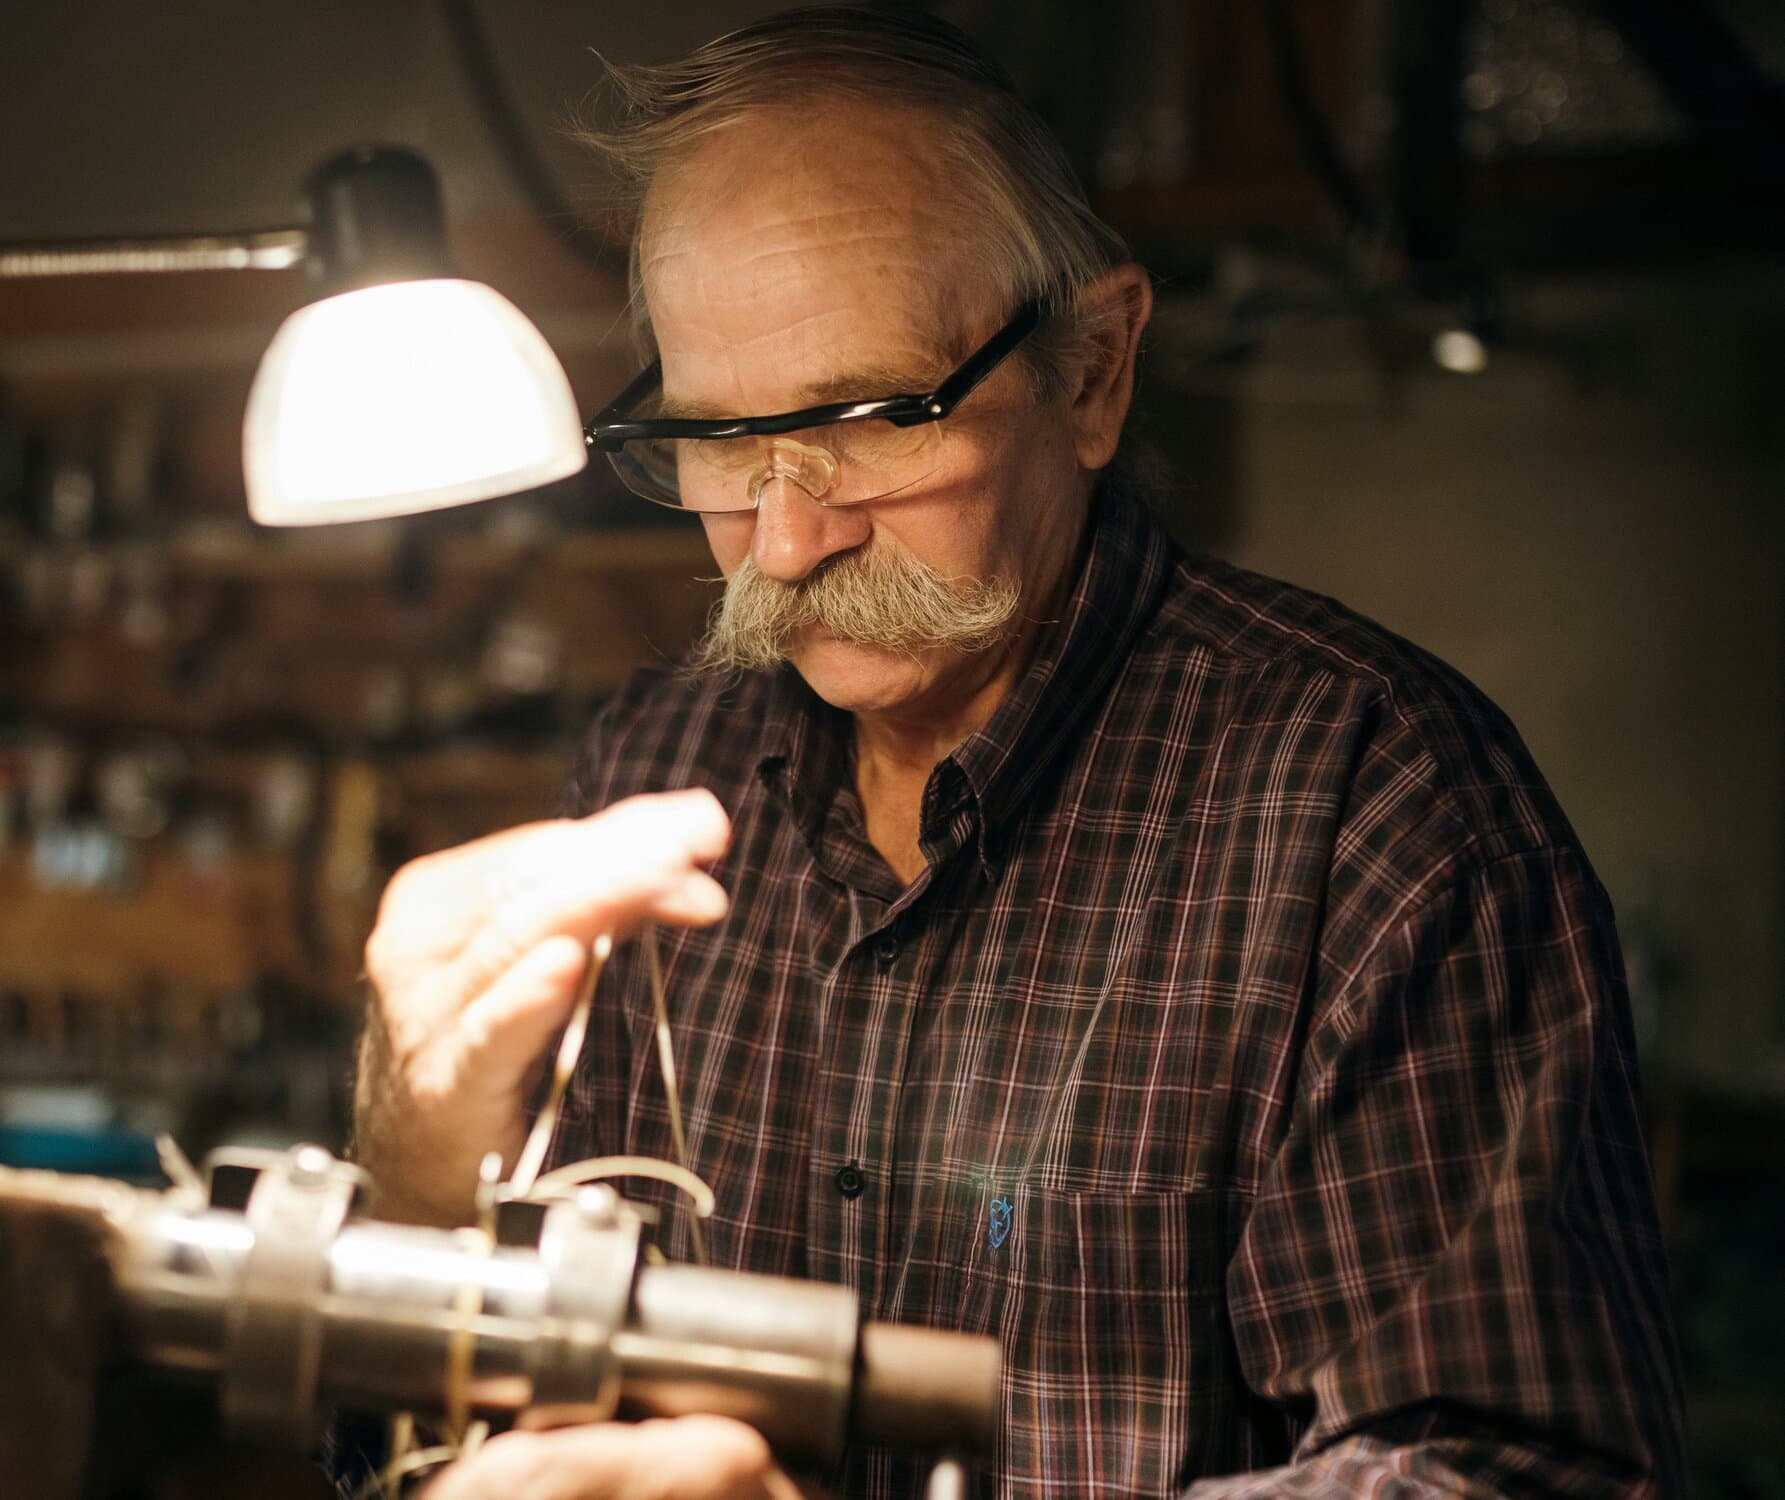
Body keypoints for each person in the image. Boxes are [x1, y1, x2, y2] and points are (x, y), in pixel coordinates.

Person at [353, 8, 1685, 1497]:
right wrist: (420, 1172)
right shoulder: (657, 760)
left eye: (871, 419)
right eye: (718, 441)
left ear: (1094, 371)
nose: (783, 543)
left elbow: (1510, 1472)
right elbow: (479, 1387)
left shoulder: (1374, 811)